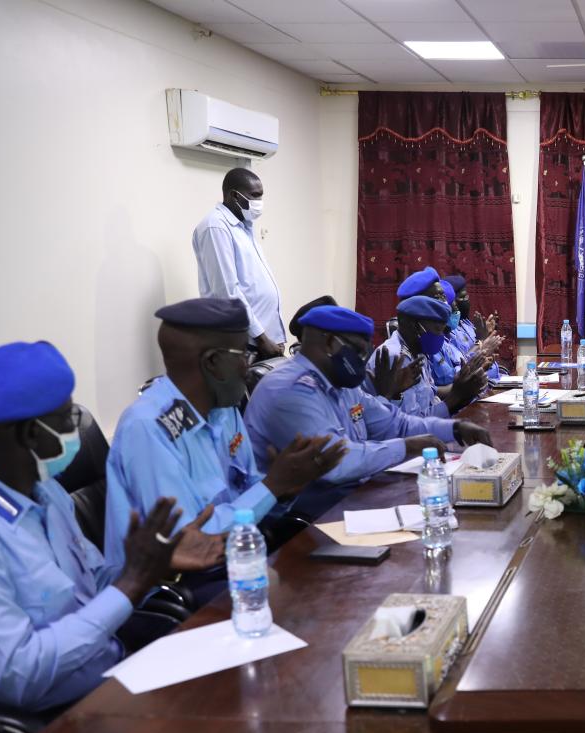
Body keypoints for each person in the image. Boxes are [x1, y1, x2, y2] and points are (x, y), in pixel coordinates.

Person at [0, 342, 209, 710]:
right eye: (67, 418)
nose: (76, 427)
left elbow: (91, 587)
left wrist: (154, 564)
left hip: (107, 674)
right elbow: (16, 677)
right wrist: (131, 583)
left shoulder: (41, 487)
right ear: (31, 433)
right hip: (33, 725)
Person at [104, 298, 346, 592]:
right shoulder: (149, 428)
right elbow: (190, 543)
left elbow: (251, 498)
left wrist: (285, 491)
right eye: (244, 353)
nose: (248, 367)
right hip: (175, 587)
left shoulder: (224, 409)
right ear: (212, 362)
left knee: (338, 575)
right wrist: (273, 486)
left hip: (235, 558)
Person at [244, 305, 491, 515]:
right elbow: (337, 462)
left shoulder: (339, 383)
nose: (363, 361)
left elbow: (397, 424)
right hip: (306, 516)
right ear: (330, 343)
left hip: (350, 497)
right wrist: (407, 446)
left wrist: (454, 428)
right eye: (358, 352)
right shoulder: (291, 390)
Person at [193, 167, 286, 359]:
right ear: (235, 195)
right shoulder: (216, 226)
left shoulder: (243, 226)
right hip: (243, 342)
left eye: (261, 196)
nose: (259, 202)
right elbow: (227, 292)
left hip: (261, 341)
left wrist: (273, 335)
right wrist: (261, 338)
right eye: (255, 195)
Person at [369, 296, 489, 418]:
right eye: (438, 330)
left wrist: (464, 393)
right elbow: (411, 422)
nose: (441, 337)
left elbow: (431, 400)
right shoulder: (396, 357)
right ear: (414, 325)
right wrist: (457, 396)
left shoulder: (418, 350)